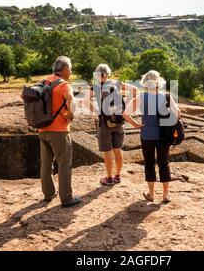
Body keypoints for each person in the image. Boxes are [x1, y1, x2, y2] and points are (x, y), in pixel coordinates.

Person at [123, 70, 180, 203]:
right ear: (158, 82)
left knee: (149, 164)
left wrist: (136, 124)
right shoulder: (166, 96)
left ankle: (151, 194)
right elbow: (178, 113)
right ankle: (166, 195)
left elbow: (125, 114)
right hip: (163, 136)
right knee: (164, 163)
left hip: (147, 134)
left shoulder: (141, 97)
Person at [38, 56, 81, 207]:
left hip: (43, 128)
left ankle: (48, 194)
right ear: (63, 69)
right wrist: (70, 115)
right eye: (70, 68)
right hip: (59, 130)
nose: (70, 71)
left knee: (46, 164)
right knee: (64, 164)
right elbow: (72, 101)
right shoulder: (63, 85)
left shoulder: (44, 81)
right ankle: (67, 198)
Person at [86, 64, 138, 186]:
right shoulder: (117, 83)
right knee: (117, 149)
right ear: (108, 73)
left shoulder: (96, 87)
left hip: (104, 123)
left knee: (107, 151)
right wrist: (126, 107)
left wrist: (97, 112)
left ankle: (109, 178)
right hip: (119, 121)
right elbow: (135, 90)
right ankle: (118, 176)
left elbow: (84, 101)